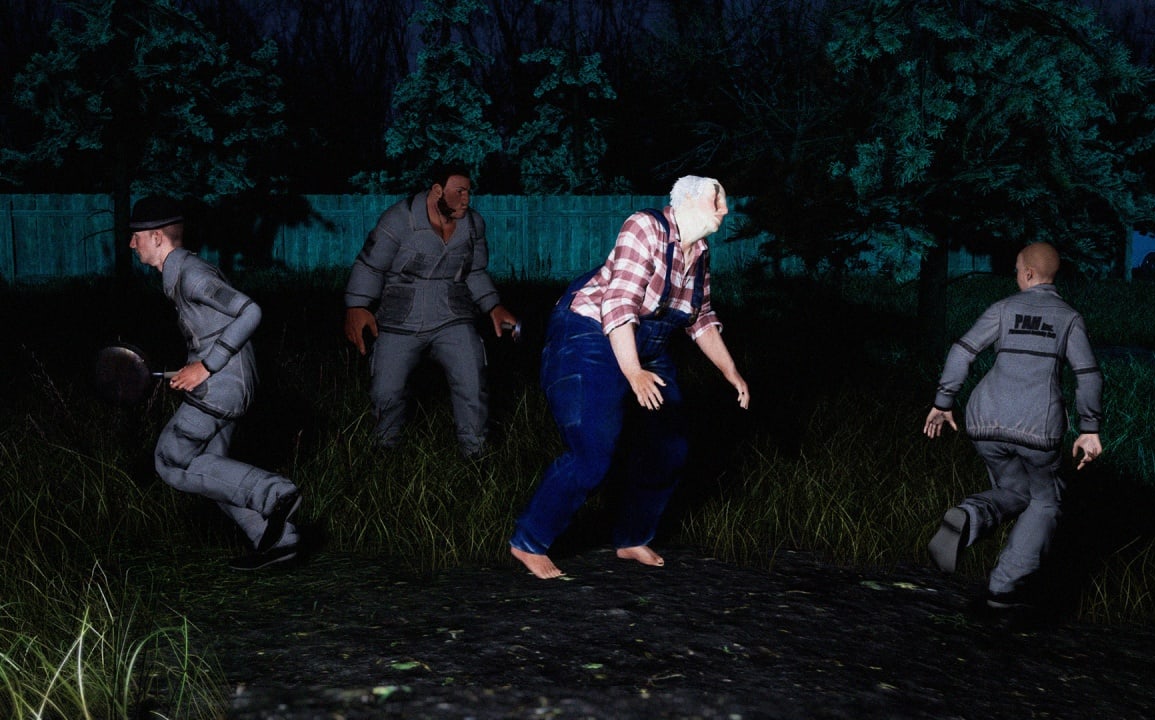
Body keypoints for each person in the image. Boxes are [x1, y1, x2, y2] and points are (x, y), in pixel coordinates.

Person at [509, 176, 751, 579]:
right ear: (687, 202)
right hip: (588, 334)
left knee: (670, 447)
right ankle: (529, 541)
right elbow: (619, 304)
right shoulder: (645, 227)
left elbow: (701, 318)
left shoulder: (700, 253)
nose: (725, 210)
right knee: (593, 451)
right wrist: (634, 371)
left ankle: (632, 538)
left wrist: (731, 371)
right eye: (717, 201)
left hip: (647, 345)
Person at [923, 241, 1103, 608]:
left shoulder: (1003, 309)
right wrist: (1089, 429)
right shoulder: (1069, 318)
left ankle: (970, 516)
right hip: (1037, 427)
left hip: (985, 421)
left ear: (1030, 273)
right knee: (1045, 501)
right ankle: (1003, 588)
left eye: (1018, 270)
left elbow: (962, 351)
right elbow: (1088, 376)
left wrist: (943, 403)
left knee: (1014, 490)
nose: (1016, 276)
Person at [128, 196, 303, 571]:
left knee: (171, 459)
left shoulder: (192, 275)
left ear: (157, 237)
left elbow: (250, 311)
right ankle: (278, 541)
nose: (131, 244)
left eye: (136, 236)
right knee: (211, 470)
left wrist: (206, 366)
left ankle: (276, 493)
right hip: (226, 380)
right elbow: (212, 328)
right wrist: (192, 364)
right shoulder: (180, 275)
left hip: (222, 385)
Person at [344, 166, 519, 457]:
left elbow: (475, 271)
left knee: (472, 380)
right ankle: (384, 450)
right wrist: (357, 305)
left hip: (452, 313)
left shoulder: (473, 225)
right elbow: (370, 265)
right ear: (438, 191)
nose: (466, 199)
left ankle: (475, 453)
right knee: (387, 389)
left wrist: (493, 305)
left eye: (468, 192)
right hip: (400, 317)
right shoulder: (399, 219)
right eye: (459, 191)